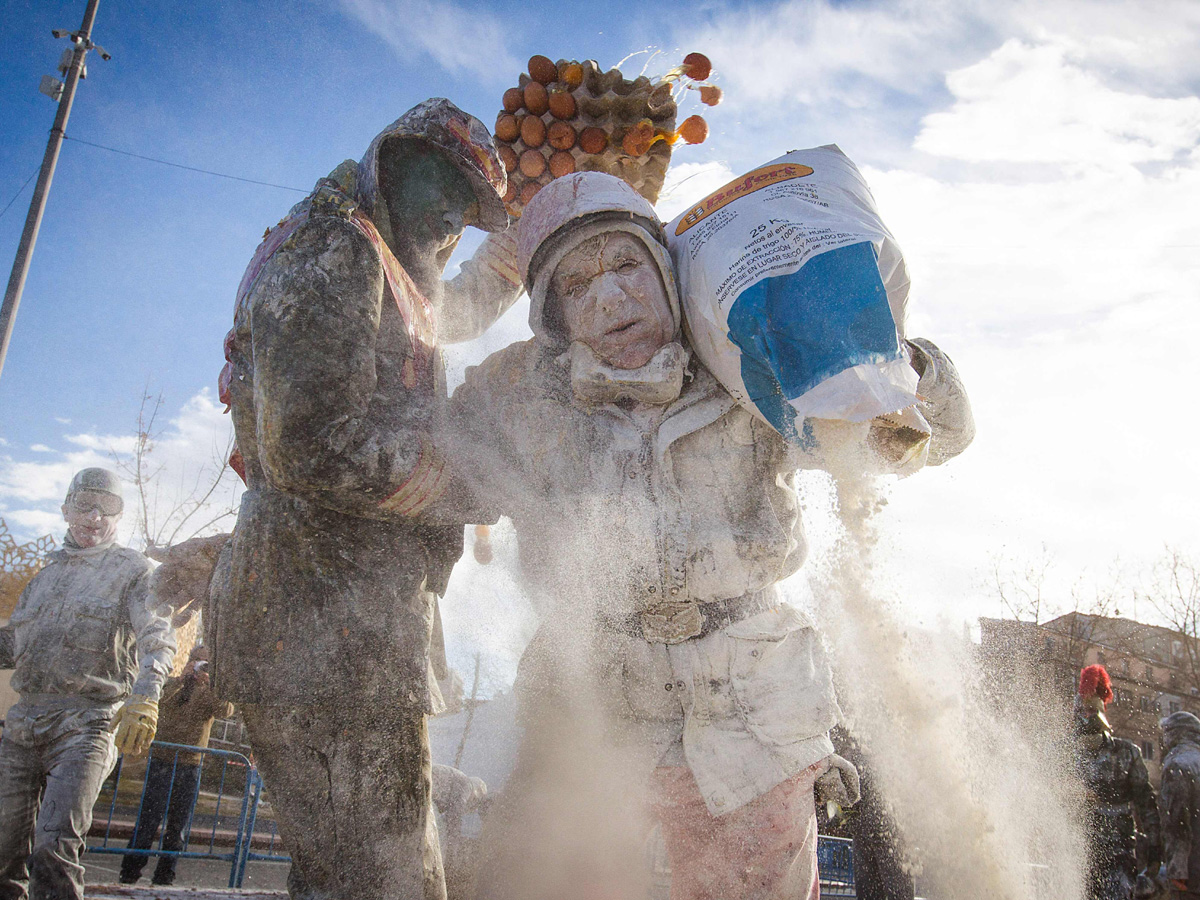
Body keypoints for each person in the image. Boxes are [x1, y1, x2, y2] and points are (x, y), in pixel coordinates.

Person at [445, 172, 974, 900]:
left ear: (667, 273)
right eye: (576, 286)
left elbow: (937, 435)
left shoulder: (749, 363)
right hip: (596, 706)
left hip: (748, 709)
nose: (607, 298)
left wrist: (895, 364)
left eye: (626, 265)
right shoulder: (524, 401)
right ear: (553, 318)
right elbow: (424, 459)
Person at [209, 98, 520, 900]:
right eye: (443, 185)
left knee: (352, 880)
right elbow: (308, 445)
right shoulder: (335, 246)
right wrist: (471, 481)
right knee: (386, 884)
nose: (453, 217)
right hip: (321, 632)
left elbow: (448, 314)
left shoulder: (379, 255)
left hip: (352, 633)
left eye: (471, 211)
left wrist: (527, 244)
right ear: (392, 160)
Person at [0, 467, 176, 900]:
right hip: (23, 727)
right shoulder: (42, 580)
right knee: (2, 853)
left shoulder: (133, 570)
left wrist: (146, 697)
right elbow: (13, 647)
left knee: (53, 847)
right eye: (84, 505)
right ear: (65, 510)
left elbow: (158, 636)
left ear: (120, 517)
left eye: (108, 507)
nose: (95, 516)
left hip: (86, 725)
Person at [118, 644, 233, 886]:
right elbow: (158, 699)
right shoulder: (172, 683)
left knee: (178, 826)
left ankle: (164, 876)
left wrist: (211, 684)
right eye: (197, 660)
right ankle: (130, 872)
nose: (201, 666)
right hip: (162, 759)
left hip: (190, 764)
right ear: (189, 661)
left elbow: (225, 710)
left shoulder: (211, 691)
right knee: (148, 821)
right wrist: (182, 679)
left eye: (206, 663)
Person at [1075, 664, 1162, 900]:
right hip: (1078, 853)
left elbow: (1147, 804)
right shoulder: (1066, 756)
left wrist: (1155, 855)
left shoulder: (1126, 752)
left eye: (1091, 713)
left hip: (1118, 852)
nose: (1087, 719)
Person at [1160, 711, 1200, 899]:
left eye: (1167, 731)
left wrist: (1177, 870)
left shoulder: (1177, 765)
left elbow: (1177, 823)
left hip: (1192, 873)